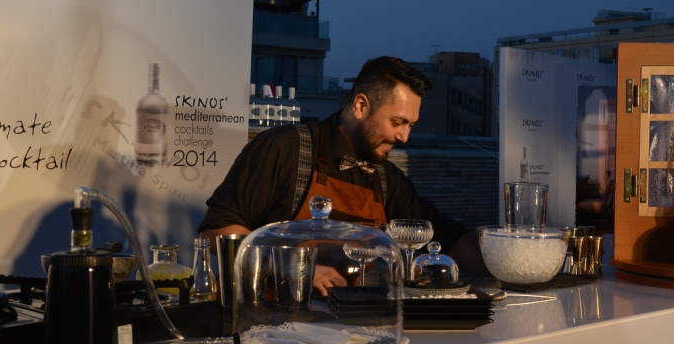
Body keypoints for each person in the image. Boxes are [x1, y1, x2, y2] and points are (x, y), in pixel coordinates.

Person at [199, 56, 488, 293]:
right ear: (361, 106)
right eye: (397, 122)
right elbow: (216, 232)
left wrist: (505, 265)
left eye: (410, 125)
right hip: (264, 323)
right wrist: (294, 267)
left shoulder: (386, 178)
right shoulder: (283, 149)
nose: (404, 136)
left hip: (344, 327)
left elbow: (448, 237)